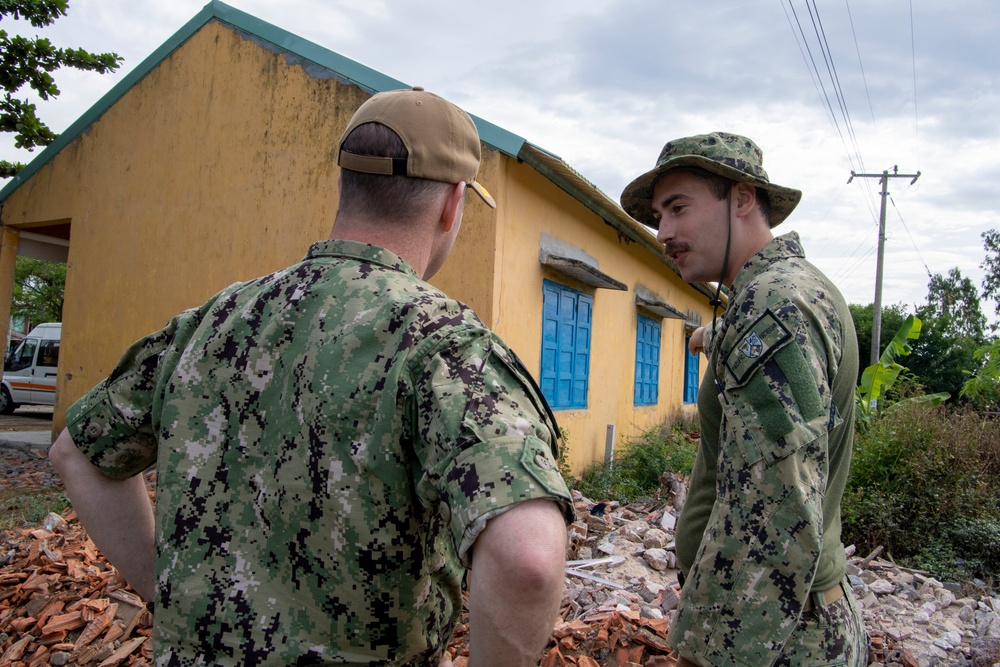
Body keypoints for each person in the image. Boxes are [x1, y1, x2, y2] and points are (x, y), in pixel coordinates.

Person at [50, 87, 574, 667]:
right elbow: (529, 559)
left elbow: (78, 454)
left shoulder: (212, 320)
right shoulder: (442, 346)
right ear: (453, 204)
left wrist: (166, 590)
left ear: (347, 184)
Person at [620, 132, 865, 666]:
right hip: (785, 624)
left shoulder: (773, 306)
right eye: (659, 215)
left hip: (774, 635)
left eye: (678, 209)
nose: (663, 232)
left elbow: (777, 508)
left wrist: (712, 651)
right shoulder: (783, 295)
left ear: (743, 198)